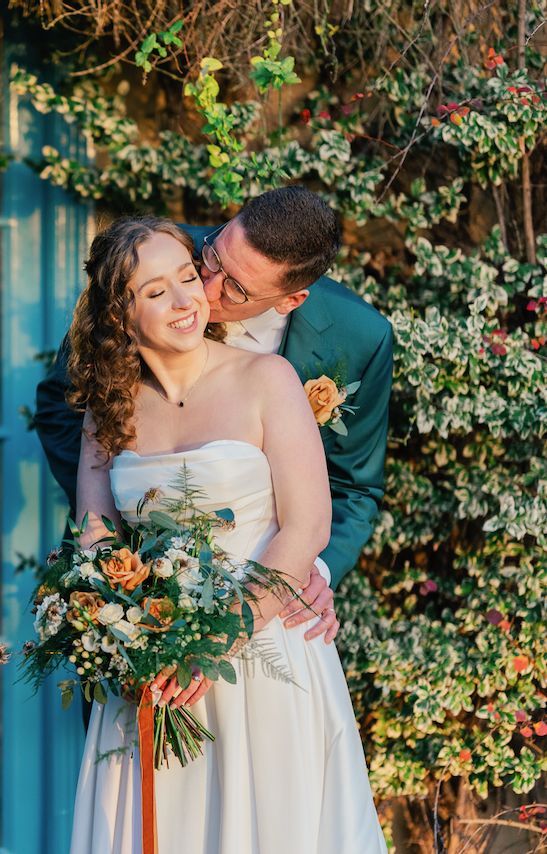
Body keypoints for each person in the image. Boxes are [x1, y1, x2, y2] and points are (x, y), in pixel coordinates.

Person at [62, 216, 387, 853]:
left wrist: (213, 642)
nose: (194, 296)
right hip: (153, 657)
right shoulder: (110, 405)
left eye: (190, 279)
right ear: (119, 314)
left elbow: (311, 521)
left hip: (259, 649)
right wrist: (128, 630)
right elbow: (97, 527)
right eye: (158, 291)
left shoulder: (270, 379)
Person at [35, 187, 393, 648]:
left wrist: (311, 568)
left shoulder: (358, 337)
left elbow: (354, 486)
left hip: (265, 608)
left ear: (290, 300)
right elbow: (66, 403)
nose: (201, 290)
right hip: (138, 594)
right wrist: (126, 520)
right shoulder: (152, 257)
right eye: (214, 257)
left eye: (236, 288)